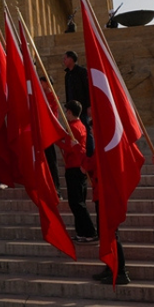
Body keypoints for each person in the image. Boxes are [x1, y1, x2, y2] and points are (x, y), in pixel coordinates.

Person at [57, 100, 97, 242]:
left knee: (76, 202)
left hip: (74, 167)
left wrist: (56, 141)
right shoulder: (80, 125)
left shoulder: (73, 127)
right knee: (78, 201)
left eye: (66, 111)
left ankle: (90, 231)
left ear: (69, 112)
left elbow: (69, 147)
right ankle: (81, 231)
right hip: (78, 165)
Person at [38, 76, 61, 197]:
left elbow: (53, 115)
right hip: (41, 131)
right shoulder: (41, 96)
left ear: (47, 83)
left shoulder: (53, 98)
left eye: (42, 83)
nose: (40, 85)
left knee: (51, 161)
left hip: (48, 132)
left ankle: (56, 188)